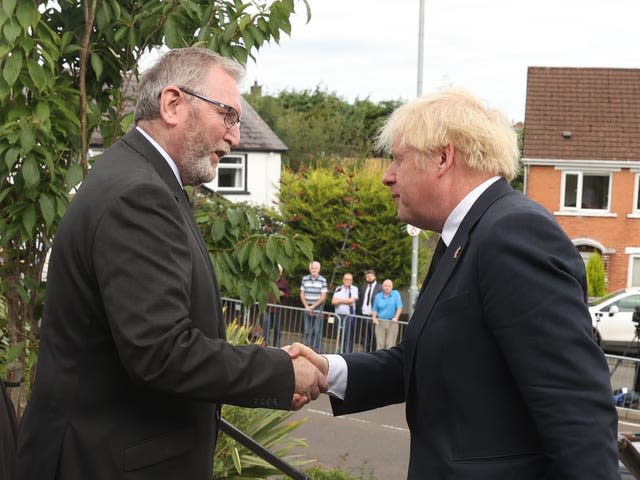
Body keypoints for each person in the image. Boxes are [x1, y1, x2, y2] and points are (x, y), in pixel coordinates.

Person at [16, 48, 326, 480]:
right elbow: (160, 352)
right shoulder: (139, 194)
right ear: (173, 104)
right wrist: (280, 373)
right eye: (228, 115)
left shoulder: (142, 178)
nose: (235, 137)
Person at [286, 88, 620, 478]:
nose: (387, 176)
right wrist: (328, 369)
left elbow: (574, 403)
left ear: (444, 158)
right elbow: (424, 361)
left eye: (398, 159)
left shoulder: (512, 233)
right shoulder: (465, 236)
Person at [299, 261, 327, 351]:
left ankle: (317, 350)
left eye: (316, 268)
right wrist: (307, 306)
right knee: (307, 331)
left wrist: (313, 307)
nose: (314, 270)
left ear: (319, 269)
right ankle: (307, 349)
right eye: (312, 268)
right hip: (307, 307)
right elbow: (302, 293)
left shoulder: (323, 280)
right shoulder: (305, 279)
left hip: (318, 309)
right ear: (310, 269)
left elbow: (323, 296)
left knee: (317, 331)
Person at [371, 279, 403, 350]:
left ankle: (389, 361)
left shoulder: (396, 294)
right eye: (385, 285)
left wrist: (396, 317)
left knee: (390, 345)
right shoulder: (378, 296)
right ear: (382, 286)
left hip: (392, 322)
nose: (387, 287)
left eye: (389, 286)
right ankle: (379, 360)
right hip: (380, 322)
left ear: (392, 287)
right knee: (380, 344)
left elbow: (399, 307)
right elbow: (375, 309)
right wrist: (374, 318)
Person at [331, 273, 358, 353]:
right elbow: (333, 301)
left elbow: (351, 301)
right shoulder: (338, 288)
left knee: (348, 337)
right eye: (346, 279)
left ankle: (347, 353)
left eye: (349, 279)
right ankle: (340, 352)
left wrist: (339, 300)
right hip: (338, 316)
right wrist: (345, 300)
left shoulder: (354, 289)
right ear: (343, 280)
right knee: (339, 336)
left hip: (349, 317)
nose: (347, 281)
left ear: (352, 281)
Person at [263, 265, 289, 347]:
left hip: (278, 309)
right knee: (266, 328)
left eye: (279, 271)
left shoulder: (284, 282)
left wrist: (283, 294)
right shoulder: (268, 279)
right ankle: (265, 344)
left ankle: (276, 346)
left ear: (281, 272)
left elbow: (288, 295)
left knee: (277, 329)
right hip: (267, 308)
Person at [356, 269, 383, 351]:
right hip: (364, 317)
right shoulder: (363, 287)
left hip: (374, 317)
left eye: (370, 276)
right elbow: (360, 301)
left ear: (374, 276)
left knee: (374, 338)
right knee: (365, 337)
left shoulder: (380, 288)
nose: (369, 278)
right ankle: (365, 353)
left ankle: (373, 354)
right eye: (367, 276)